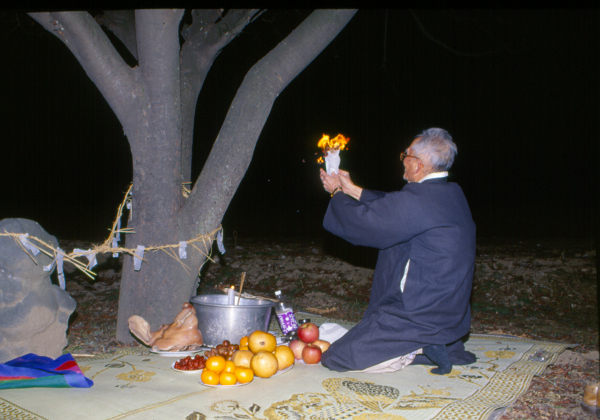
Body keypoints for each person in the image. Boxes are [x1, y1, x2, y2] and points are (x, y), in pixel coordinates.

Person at [318, 128, 476, 374]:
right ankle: (433, 344)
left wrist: (336, 193)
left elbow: (368, 223)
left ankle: (416, 349)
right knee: (335, 334)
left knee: (336, 356)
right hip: (447, 314)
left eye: (406, 154)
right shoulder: (450, 193)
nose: (402, 158)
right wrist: (351, 189)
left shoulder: (418, 201)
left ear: (417, 164)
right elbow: (392, 207)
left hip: (417, 315)